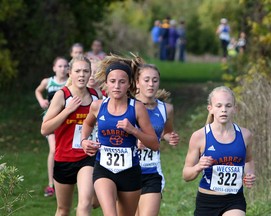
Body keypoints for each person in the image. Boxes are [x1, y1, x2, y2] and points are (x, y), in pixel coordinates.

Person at [81, 54, 159, 216]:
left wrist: (134, 131)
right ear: (106, 84)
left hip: (130, 171)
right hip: (103, 169)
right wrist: (84, 141)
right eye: (113, 81)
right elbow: (88, 123)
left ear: (129, 84)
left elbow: (154, 143)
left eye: (122, 82)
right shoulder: (97, 106)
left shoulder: (137, 108)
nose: (117, 86)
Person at [182, 86, 256, 216]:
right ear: (210, 109)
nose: (223, 110)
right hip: (207, 201)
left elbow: (248, 160)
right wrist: (198, 167)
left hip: (234, 199)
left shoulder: (245, 135)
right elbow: (186, 175)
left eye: (228, 106)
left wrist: (249, 174)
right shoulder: (199, 136)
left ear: (235, 109)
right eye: (219, 106)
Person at [41, 55, 99, 215]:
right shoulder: (62, 95)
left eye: (86, 71)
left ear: (89, 74)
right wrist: (67, 111)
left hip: (87, 157)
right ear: (70, 74)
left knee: (85, 203)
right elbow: (45, 129)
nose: (82, 75)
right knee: (63, 210)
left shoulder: (96, 96)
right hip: (64, 158)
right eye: (78, 71)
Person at [134, 64, 179, 216]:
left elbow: (166, 132)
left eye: (155, 80)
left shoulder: (166, 109)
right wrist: (135, 142)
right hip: (127, 171)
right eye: (146, 80)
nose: (151, 84)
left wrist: (169, 137)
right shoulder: (127, 105)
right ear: (137, 83)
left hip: (152, 170)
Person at [35, 56, 68, 197]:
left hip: (66, 121)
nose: (62, 69)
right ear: (54, 68)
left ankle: (67, 182)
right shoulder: (48, 81)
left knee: (66, 150)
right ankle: (51, 185)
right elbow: (37, 91)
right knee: (54, 150)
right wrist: (41, 100)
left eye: (65, 66)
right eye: (59, 66)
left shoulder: (70, 82)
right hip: (51, 121)